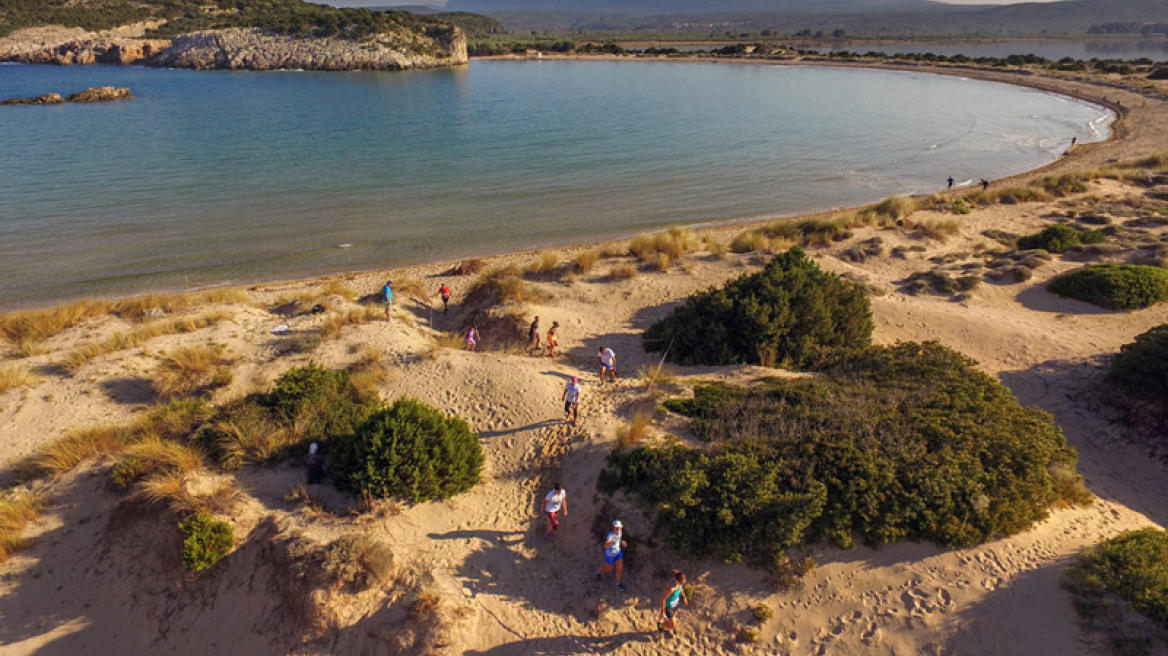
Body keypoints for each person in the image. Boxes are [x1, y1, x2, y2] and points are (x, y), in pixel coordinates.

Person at [596, 520, 627, 591]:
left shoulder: (620, 533)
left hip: (618, 553)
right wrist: (611, 541)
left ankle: (618, 584)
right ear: (614, 528)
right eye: (616, 528)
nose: (618, 529)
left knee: (620, 569)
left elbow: (618, 540)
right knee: (609, 569)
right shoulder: (610, 535)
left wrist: (622, 542)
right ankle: (599, 571)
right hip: (610, 555)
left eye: (619, 528)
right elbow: (605, 546)